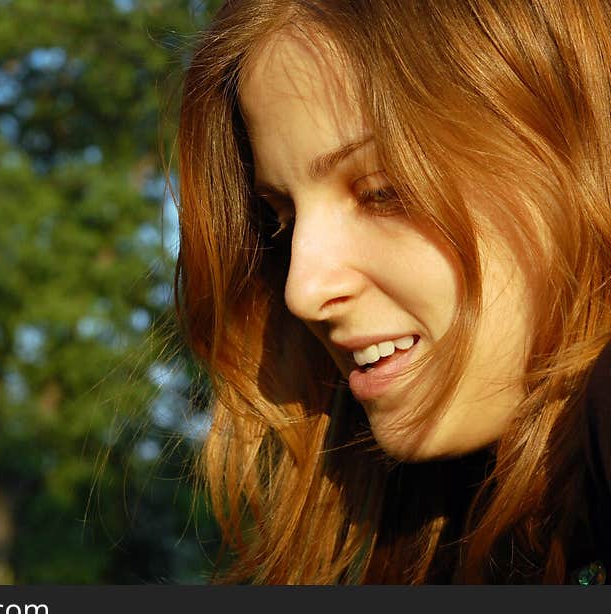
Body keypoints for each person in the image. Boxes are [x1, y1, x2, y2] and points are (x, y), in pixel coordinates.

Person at [173, 0, 611, 583]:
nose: (302, 292)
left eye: (383, 192)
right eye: (280, 220)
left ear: (576, 145)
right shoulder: (465, 522)